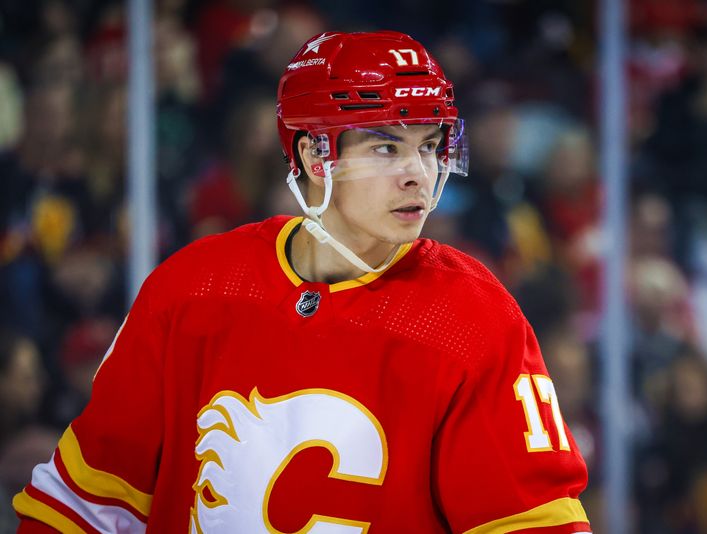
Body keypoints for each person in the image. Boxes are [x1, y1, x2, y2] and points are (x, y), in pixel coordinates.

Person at [13, 31, 591, 533]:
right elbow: (82, 507)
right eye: (387, 146)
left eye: (431, 146)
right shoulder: (192, 288)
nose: (419, 174)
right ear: (317, 155)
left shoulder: (475, 318)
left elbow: (533, 527)